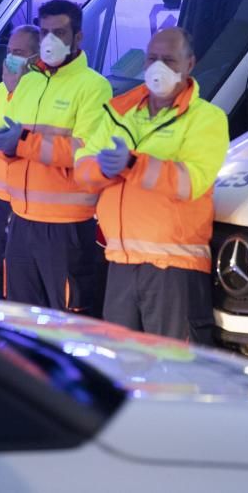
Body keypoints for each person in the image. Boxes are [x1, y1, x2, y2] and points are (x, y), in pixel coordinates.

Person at [75, 28, 228, 344]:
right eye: (152, 58)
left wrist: (132, 164)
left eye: (169, 60)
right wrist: (105, 168)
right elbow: (82, 170)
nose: (158, 66)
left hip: (173, 268)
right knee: (122, 367)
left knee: (171, 370)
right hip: (120, 262)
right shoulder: (121, 113)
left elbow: (191, 182)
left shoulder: (207, 118)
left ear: (189, 65)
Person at [0, 0, 111, 315]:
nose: (50, 40)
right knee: (21, 320)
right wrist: (7, 150)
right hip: (22, 220)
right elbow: (8, 140)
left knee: (67, 322)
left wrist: (23, 143)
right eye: (45, 32)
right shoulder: (29, 83)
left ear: (78, 38)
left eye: (60, 32)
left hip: (65, 229)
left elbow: (86, 151)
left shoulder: (94, 87)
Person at [0, 25, 40, 299]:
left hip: (23, 205)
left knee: (17, 284)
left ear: (36, 58)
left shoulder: (40, 92)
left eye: (19, 52)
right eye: (9, 51)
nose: (11, 57)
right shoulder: (3, 89)